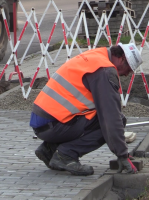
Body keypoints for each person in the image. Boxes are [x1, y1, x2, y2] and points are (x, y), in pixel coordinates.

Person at [30, 43, 143, 176]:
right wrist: (123, 155)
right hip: (53, 124)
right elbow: (111, 118)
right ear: (122, 59)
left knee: (94, 115)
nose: (127, 75)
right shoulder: (105, 70)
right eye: (129, 69)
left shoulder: (96, 56)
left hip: (43, 121)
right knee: (110, 122)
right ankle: (65, 155)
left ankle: (49, 149)